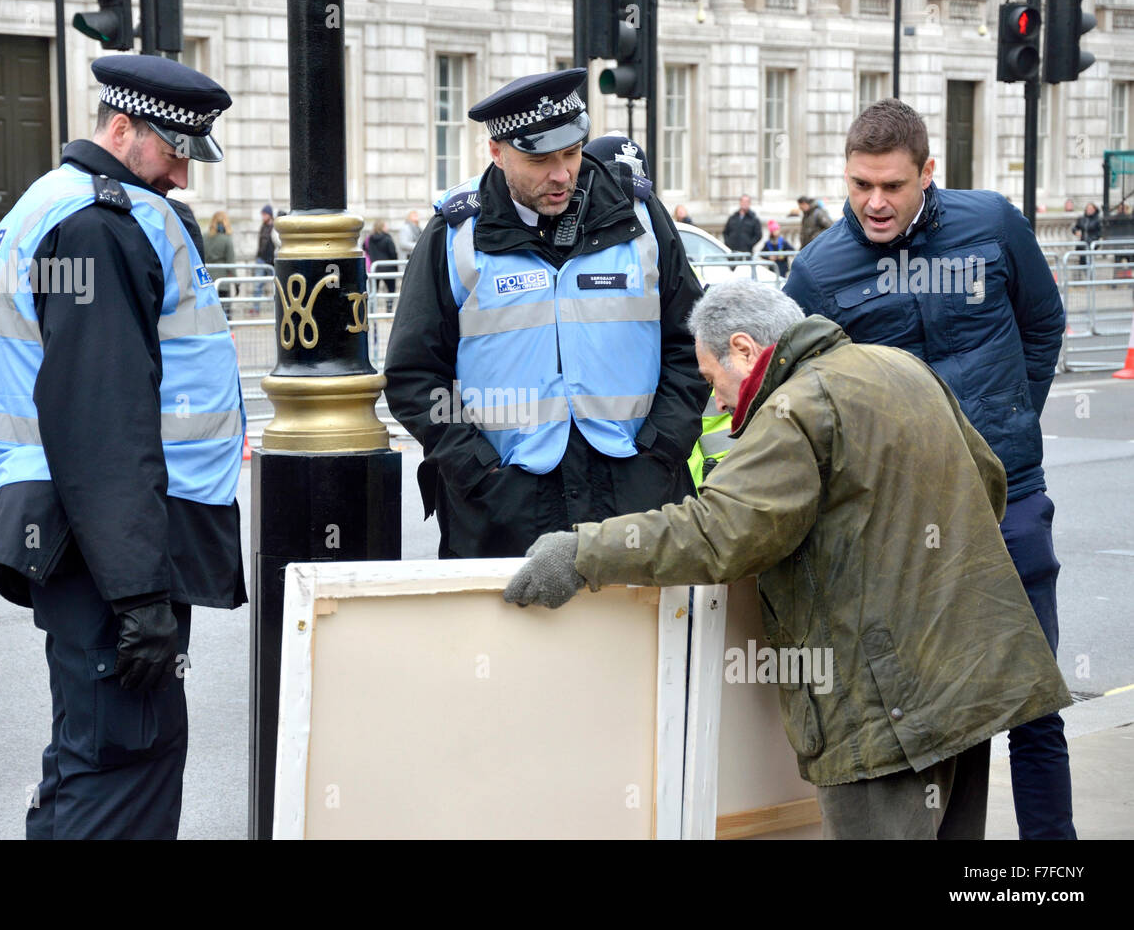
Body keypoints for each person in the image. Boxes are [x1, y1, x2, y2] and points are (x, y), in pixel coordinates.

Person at [504, 280, 1073, 839]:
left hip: (885, 710)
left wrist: (582, 551)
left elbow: (718, 533)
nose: (717, 401)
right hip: (965, 684)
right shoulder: (900, 366)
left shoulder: (796, 406)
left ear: (745, 350)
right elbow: (989, 482)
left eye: (711, 379)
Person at [0, 54, 245, 840]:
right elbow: (103, 422)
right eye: (173, 151)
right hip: (106, 546)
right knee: (123, 775)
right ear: (121, 129)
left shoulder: (53, 206)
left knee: (90, 762)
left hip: (75, 532)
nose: (184, 175)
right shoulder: (97, 223)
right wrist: (138, 597)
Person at [781, 98, 1075, 840]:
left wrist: (1013, 416)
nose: (873, 203)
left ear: (927, 175)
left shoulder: (995, 224)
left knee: (1033, 707)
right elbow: (800, 393)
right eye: (858, 186)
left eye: (891, 186)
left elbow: (1044, 322)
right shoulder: (817, 273)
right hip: (906, 526)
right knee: (945, 711)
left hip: (1011, 500)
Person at [383, 70, 706, 559]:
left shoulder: (640, 216)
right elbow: (414, 373)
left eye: (572, 153)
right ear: (497, 152)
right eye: (539, 159)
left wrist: (660, 449)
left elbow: (693, 341)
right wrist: (477, 467)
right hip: (505, 507)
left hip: (636, 496)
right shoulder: (454, 234)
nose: (561, 175)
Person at [206, 210, 235, 316]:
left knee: (211, 309)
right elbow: (231, 262)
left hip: (208, 278)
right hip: (223, 280)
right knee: (224, 309)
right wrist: (236, 283)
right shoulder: (227, 239)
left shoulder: (205, 237)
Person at [254, 204, 280, 312]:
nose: (263, 217)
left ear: (269, 215)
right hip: (262, 259)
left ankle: (278, 309)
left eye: (264, 214)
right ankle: (256, 308)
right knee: (258, 284)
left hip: (272, 261)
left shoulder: (275, 227)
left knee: (276, 286)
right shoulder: (263, 226)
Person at [363, 218, 399, 295]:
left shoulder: (369, 239)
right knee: (391, 291)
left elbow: (364, 248)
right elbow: (393, 253)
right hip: (388, 268)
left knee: (374, 291)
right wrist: (395, 265)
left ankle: (372, 307)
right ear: (382, 227)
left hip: (375, 268)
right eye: (386, 226)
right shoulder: (387, 239)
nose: (387, 228)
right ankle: (389, 306)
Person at [1072, 201, 1102, 267]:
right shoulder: (1082, 219)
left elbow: (1100, 232)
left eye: (1091, 209)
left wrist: (1094, 239)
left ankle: (1090, 276)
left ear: (1095, 210)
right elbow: (1075, 228)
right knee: (1082, 264)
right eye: (1088, 209)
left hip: (1091, 245)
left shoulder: (1097, 220)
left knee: (1090, 264)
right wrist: (1076, 231)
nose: (1089, 210)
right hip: (1083, 245)